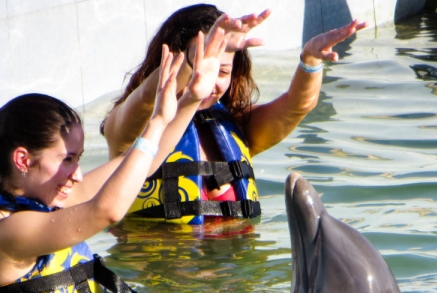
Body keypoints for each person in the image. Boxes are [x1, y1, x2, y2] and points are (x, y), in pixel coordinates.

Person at [0, 29, 228, 293]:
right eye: (67, 159)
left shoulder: (47, 205)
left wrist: (191, 100)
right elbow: (107, 211)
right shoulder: (9, 233)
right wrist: (154, 122)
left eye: (79, 159)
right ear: (23, 160)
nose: (78, 175)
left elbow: (145, 164)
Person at [101, 3, 367, 226]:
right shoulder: (129, 130)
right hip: (167, 279)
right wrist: (193, 60)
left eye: (223, 72)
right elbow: (148, 96)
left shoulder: (234, 130)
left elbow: (298, 106)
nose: (210, 82)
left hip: (236, 278)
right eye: (203, 68)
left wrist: (310, 61)